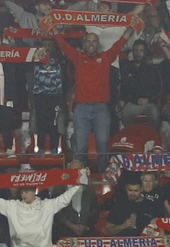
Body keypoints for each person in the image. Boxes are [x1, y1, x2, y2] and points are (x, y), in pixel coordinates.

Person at [53, 25, 133, 167]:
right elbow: (62, 44)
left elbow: (120, 42)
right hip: (81, 109)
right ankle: (79, 180)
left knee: (103, 146)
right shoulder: (77, 57)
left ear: (98, 44)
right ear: (84, 44)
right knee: (80, 148)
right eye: (88, 41)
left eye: (94, 41)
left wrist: (133, 26)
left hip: (101, 108)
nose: (91, 44)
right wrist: (52, 27)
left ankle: (103, 177)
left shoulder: (106, 57)